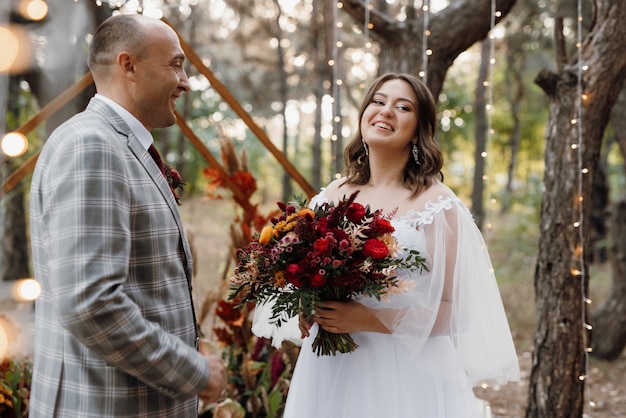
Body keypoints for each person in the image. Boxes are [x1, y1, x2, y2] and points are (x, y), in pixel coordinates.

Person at [253, 73, 520, 417]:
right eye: (378, 101)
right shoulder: (331, 194)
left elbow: (456, 310)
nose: (386, 111)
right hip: (331, 368)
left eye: (402, 106)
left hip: (407, 372)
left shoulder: (437, 204)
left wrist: (369, 318)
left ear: (419, 128)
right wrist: (309, 305)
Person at [29, 13, 227, 417]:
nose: (185, 81)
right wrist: (195, 372)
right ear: (128, 65)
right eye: (175, 64)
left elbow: (149, 284)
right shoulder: (92, 147)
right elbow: (91, 303)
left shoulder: (118, 145)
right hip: (106, 405)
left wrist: (195, 339)